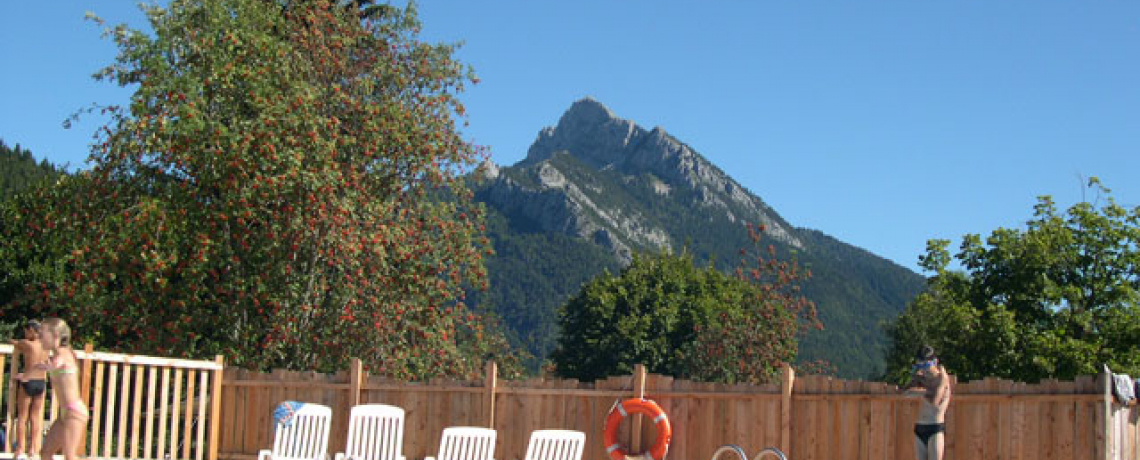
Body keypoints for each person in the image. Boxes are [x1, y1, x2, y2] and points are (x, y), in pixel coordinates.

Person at [37, 318, 88, 460]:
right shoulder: (56, 355)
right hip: (64, 414)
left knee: (70, 456)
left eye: (43, 334)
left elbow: (61, 362)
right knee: (45, 453)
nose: (39, 337)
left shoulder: (64, 353)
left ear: (55, 335)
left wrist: (52, 367)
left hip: (75, 412)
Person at [901, 344, 952, 460]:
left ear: (935, 362)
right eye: (920, 365)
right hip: (920, 426)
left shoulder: (942, 379)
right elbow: (904, 391)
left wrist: (919, 392)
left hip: (935, 428)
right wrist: (915, 380)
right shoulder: (921, 378)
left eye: (926, 365)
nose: (923, 368)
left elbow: (935, 401)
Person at [10, 320, 49, 459]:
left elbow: (14, 342)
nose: (25, 334)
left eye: (26, 331)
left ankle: (20, 450)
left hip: (28, 382)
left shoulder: (27, 344)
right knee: (35, 417)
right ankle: (33, 450)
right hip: (41, 382)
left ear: (32, 330)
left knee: (22, 417)